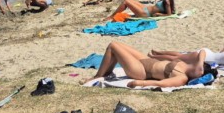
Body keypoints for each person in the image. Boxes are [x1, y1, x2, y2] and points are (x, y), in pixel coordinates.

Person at [85, 41, 214, 88]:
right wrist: (200, 65)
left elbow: (161, 83)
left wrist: (140, 83)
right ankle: (105, 72)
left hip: (141, 71)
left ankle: (97, 76)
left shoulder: (183, 78)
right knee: (117, 45)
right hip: (147, 60)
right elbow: (202, 51)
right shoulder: (188, 64)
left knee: (113, 46)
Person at [149, 30, 224, 69]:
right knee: (177, 58)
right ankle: (154, 56)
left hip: (207, 53)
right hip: (204, 56)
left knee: (180, 55)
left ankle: (157, 53)